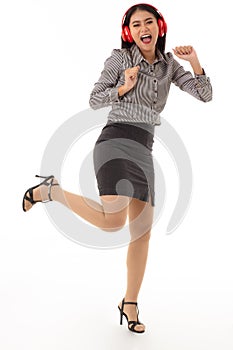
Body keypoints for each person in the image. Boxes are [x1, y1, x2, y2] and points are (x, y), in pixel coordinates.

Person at [22, 3, 212, 334]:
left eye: (148, 22)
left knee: (142, 232)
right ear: (129, 32)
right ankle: (50, 191)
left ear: (159, 27)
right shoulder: (119, 59)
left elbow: (205, 95)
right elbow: (95, 100)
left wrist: (194, 61)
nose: (143, 28)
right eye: (136, 24)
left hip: (145, 150)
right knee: (112, 223)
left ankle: (131, 303)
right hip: (115, 141)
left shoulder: (169, 65)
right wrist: (122, 87)